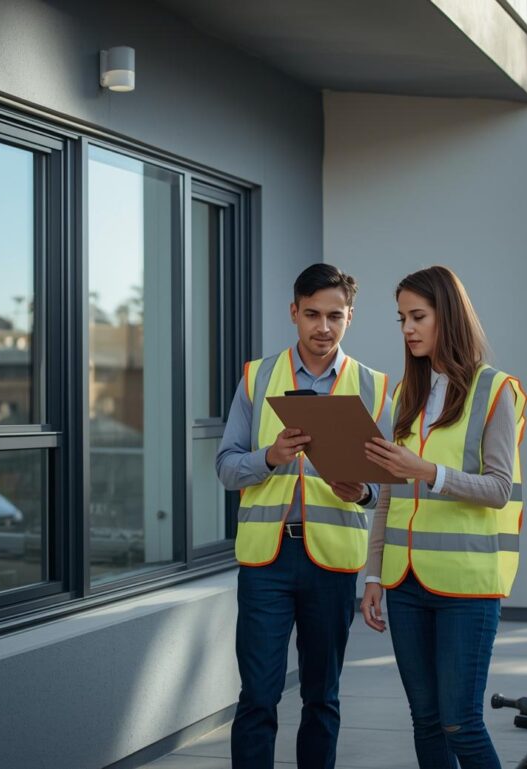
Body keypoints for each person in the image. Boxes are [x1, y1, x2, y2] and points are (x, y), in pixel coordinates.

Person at [216, 263, 390, 769]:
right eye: (312, 314)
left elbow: (387, 489)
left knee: (322, 697)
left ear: (350, 317)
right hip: (265, 563)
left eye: (335, 316)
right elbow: (226, 468)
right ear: (294, 312)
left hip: (332, 564)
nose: (323, 327)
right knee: (258, 697)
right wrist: (269, 457)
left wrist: (362, 492)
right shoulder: (257, 377)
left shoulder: (376, 387)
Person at [360, 265, 527, 769]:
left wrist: (429, 472)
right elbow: (389, 497)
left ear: (447, 316)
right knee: (427, 721)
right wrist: (373, 575)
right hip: (405, 584)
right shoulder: (404, 396)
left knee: (461, 724)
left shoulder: (495, 391)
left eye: (418, 316)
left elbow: (499, 489)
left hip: (466, 588)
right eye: (402, 319)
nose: (408, 329)